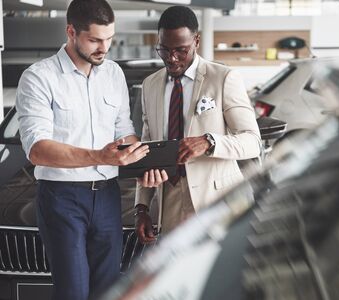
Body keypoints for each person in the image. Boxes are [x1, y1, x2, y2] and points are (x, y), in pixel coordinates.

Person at [15, 0, 167, 299]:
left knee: (108, 291)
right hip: (63, 199)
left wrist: (143, 163)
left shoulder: (113, 74)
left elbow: (124, 131)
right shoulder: (38, 77)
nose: (104, 47)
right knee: (73, 291)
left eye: (109, 39)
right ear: (71, 32)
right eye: (95, 39)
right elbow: (37, 149)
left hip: (108, 197)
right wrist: (100, 156)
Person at [134, 6, 261, 242]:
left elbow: (253, 142)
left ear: (196, 41)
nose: (172, 58)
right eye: (164, 49)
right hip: (169, 202)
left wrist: (209, 142)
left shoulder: (223, 78)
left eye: (181, 50)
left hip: (219, 201)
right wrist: (142, 208)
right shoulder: (150, 85)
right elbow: (147, 149)